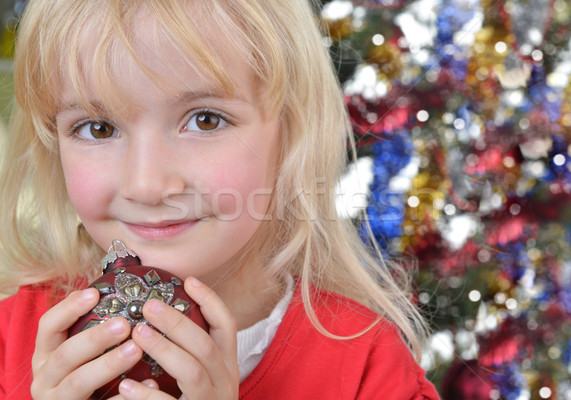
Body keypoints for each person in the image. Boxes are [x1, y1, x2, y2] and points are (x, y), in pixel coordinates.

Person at [0, 0, 440, 399]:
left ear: (291, 133)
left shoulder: (367, 369)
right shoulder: (10, 342)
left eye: (205, 120)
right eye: (97, 127)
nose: (148, 185)